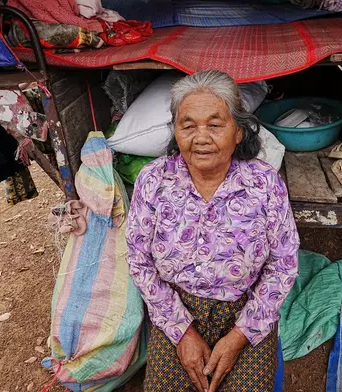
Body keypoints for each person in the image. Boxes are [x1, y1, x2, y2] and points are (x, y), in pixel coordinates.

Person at [126, 70, 300, 392]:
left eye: (215, 125)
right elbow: (139, 260)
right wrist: (181, 331)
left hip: (245, 310)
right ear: (175, 132)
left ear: (237, 132)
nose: (201, 137)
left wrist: (239, 335)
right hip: (175, 308)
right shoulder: (153, 181)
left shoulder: (264, 183)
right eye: (188, 125)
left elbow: (283, 263)